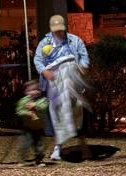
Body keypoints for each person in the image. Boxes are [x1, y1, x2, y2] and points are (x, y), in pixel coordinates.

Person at [34, 14, 90, 161]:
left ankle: (82, 145)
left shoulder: (75, 40)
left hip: (72, 78)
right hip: (54, 81)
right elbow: (38, 60)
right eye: (56, 30)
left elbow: (84, 58)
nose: (59, 33)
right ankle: (58, 147)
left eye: (61, 30)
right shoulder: (45, 42)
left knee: (77, 112)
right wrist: (45, 71)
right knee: (56, 114)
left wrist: (82, 67)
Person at [16, 79, 48, 166]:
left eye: (36, 89)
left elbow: (44, 106)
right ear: (26, 92)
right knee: (24, 144)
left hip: (38, 127)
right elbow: (19, 111)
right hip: (27, 128)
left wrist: (35, 106)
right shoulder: (23, 101)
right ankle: (21, 160)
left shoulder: (42, 100)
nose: (34, 92)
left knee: (39, 145)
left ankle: (39, 160)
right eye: (31, 90)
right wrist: (26, 113)